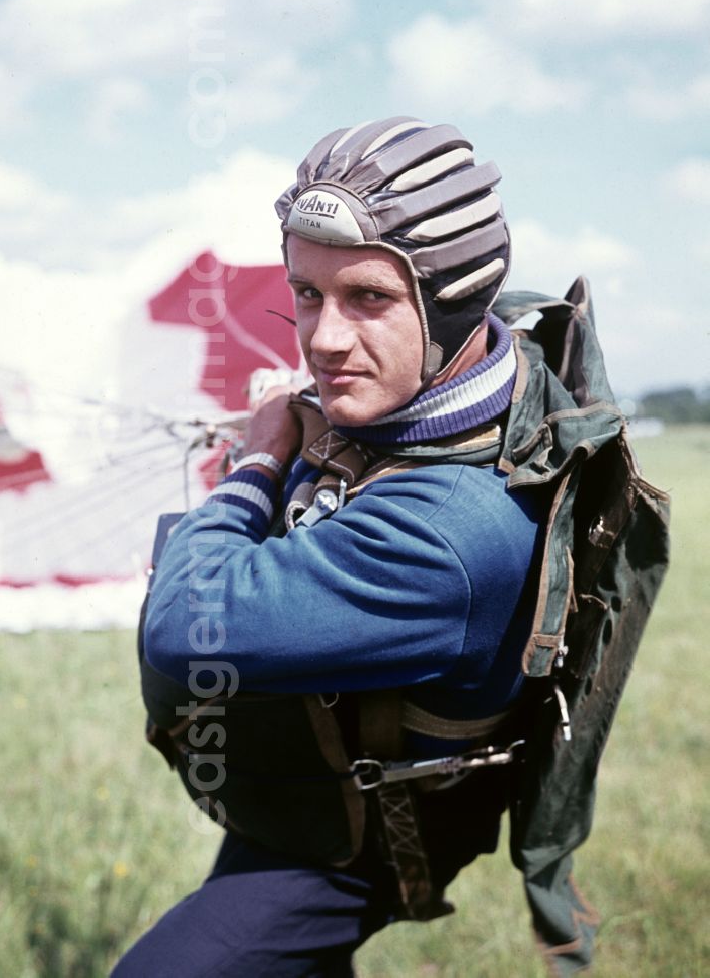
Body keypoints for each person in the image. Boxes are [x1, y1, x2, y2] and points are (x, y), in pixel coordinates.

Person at [114, 116, 548, 977]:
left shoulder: (451, 531)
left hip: (352, 837)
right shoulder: (453, 386)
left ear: (456, 301)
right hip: (308, 779)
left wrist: (258, 459)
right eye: (306, 294)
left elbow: (184, 624)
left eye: (370, 299)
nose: (322, 340)